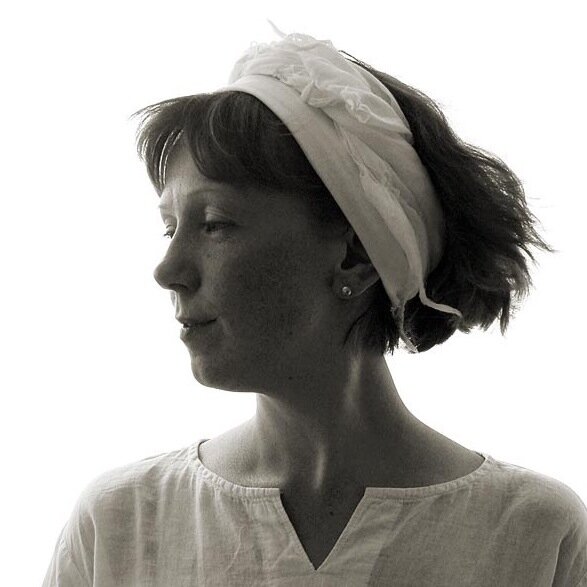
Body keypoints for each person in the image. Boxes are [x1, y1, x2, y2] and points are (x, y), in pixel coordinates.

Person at [42, 22, 587, 586]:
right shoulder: (120, 524)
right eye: (169, 228)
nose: (167, 271)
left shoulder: (531, 534)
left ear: (355, 255)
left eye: (214, 224)